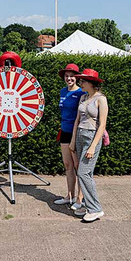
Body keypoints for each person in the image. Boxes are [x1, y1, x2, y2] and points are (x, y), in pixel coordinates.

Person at [69, 68, 108, 222]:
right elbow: (77, 120)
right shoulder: (83, 97)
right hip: (79, 135)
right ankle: (87, 205)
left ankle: (96, 209)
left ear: (91, 83)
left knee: (83, 173)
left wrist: (93, 146)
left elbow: (102, 125)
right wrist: (73, 140)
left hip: (91, 137)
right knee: (86, 173)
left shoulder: (101, 99)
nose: (80, 83)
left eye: (83, 81)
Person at [54, 64, 86, 210]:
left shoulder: (81, 93)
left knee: (79, 166)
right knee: (68, 165)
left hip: (76, 133)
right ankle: (69, 196)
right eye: (67, 76)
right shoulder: (62, 92)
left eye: (72, 76)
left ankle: (80, 198)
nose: (69, 78)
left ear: (76, 77)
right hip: (65, 131)